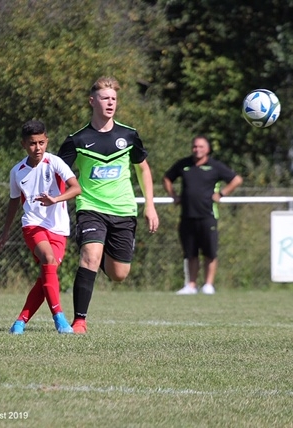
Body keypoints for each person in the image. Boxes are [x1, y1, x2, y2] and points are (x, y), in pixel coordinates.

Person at [57, 76, 159, 334]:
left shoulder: (129, 135)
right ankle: (79, 321)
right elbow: (57, 172)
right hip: (90, 207)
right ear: (92, 101)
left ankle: (99, 253)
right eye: (105, 98)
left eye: (114, 98)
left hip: (123, 210)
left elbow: (143, 169)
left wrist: (150, 205)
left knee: (119, 274)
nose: (110, 102)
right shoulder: (77, 140)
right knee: (90, 257)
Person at [0, 120, 82, 334]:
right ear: (24, 144)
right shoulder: (17, 171)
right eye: (32, 143)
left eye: (41, 142)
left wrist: (56, 199)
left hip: (58, 228)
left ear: (47, 141)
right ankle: (59, 318)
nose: (38, 148)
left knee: (46, 276)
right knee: (48, 259)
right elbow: (14, 201)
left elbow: (76, 188)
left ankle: (20, 321)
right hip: (32, 225)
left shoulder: (55, 162)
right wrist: (5, 233)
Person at [163, 135, 242, 295]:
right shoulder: (184, 164)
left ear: (207, 149)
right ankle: (191, 285)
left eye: (201, 147)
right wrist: (174, 196)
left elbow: (236, 180)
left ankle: (208, 285)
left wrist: (222, 194)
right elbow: (167, 178)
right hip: (187, 216)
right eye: (195, 146)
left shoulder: (215, 166)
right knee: (190, 253)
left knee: (209, 252)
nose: (197, 149)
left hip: (207, 216)